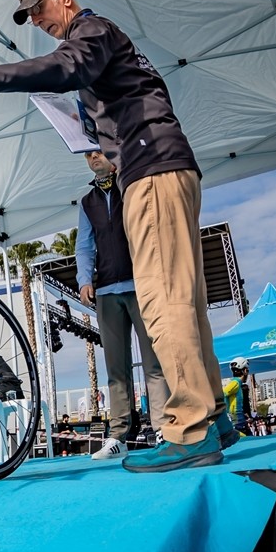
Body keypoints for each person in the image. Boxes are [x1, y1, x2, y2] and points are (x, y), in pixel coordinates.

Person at [0, 0, 232, 473]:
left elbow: (68, 66)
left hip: (151, 171)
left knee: (163, 302)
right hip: (167, 167)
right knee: (187, 302)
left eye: (38, 9)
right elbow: (113, 94)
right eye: (28, 17)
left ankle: (191, 428)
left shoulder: (92, 30)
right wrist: (87, 123)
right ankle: (213, 415)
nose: (36, 21)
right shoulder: (106, 44)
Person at [76, 150, 167, 460]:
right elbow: (84, 246)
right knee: (116, 368)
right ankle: (118, 436)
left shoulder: (131, 186)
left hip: (141, 285)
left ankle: (163, 428)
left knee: (154, 362)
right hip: (106, 292)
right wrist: (84, 280)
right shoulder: (87, 202)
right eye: (88, 155)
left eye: (98, 152)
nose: (93, 158)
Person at [222, 358, 253, 436]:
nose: (247, 373)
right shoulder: (236, 382)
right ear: (244, 371)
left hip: (240, 422)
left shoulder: (237, 384)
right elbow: (223, 394)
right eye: (247, 370)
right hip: (238, 424)